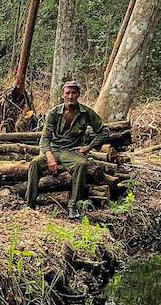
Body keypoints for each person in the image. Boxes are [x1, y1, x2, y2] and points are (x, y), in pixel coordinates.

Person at [26, 81, 108, 215]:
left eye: (73, 93)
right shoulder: (54, 113)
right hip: (54, 149)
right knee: (34, 163)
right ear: (63, 95)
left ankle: (73, 206)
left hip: (71, 151)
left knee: (81, 164)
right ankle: (30, 205)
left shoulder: (86, 112)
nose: (70, 96)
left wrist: (88, 148)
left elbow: (104, 131)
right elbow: (45, 138)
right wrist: (49, 156)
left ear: (78, 95)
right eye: (67, 93)